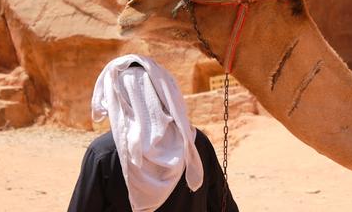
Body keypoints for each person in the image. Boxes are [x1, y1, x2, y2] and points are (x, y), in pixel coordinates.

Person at [68, 55, 238, 212]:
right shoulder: (195, 143)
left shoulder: (103, 153)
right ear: (162, 93)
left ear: (114, 98)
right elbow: (223, 206)